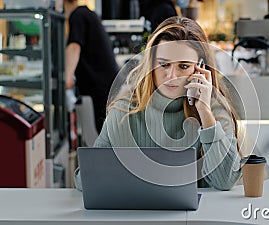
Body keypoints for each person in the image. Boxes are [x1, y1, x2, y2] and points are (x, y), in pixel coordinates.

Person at [74, 17, 245, 191]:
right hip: (137, 215)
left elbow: (225, 180)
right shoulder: (124, 110)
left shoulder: (213, 110)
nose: (171, 76)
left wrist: (205, 113)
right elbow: (85, 181)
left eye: (183, 66)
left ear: (201, 68)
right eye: (164, 64)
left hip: (198, 217)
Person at [64, 0, 119, 133]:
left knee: (104, 132)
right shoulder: (87, 13)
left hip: (101, 85)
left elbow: (74, 46)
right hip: (109, 83)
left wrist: (67, 77)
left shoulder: (77, 16)